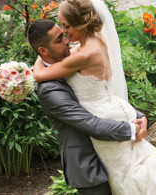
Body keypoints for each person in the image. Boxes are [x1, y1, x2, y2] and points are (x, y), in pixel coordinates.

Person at [32, 0, 156, 195]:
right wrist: (136, 123)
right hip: (112, 113)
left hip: (107, 119)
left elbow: (40, 74)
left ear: (81, 23)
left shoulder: (81, 54)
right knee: (141, 171)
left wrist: (36, 61)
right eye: (61, 34)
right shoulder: (90, 46)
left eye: (65, 27)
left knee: (133, 181)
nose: (66, 36)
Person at [26, 19, 148, 195]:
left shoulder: (75, 60)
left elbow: (100, 97)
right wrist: (131, 128)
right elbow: (90, 123)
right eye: (59, 39)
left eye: (64, 34)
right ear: (43, 51)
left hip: (115, 153)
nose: (67, 40)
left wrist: (140, 116)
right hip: (91, 165)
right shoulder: (49, 90)